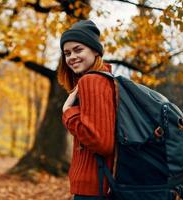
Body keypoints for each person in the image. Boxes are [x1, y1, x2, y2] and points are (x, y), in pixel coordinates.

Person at [57, 20, 116, 200]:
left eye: (78, 50)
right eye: (67, 53)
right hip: (101, 186)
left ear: (96, 51)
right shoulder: (107, 80)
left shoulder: (92, 81)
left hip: (94, 189)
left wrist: (68, 112)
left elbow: (101, 142)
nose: (71, 57)